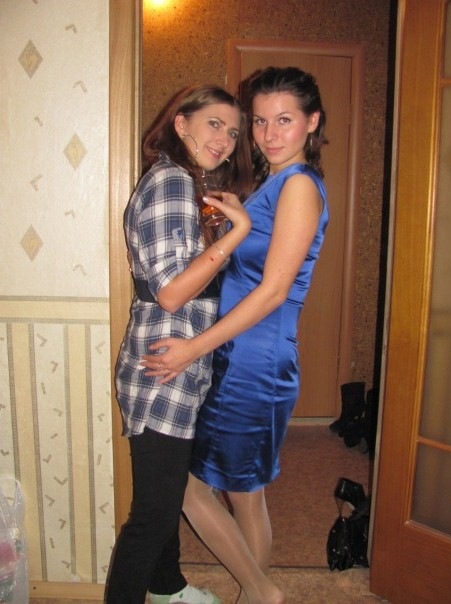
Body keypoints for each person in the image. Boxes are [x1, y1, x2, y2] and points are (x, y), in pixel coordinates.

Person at [142, 66, 329, 604]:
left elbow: (273, 292)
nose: (269, 134)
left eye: (285, 120)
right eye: (261, 121)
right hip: (235, 353)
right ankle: (260, 592)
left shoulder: (298, 186)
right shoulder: (270, 182)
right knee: (231, 487)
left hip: (255, 361)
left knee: (227, 490)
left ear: (312, 122)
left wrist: (192, 350)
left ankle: (261, 593)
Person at [105, 84, 254, 604]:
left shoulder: (185, 184)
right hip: (162, 365)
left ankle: (167, 589)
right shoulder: (170, 181)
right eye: (214, 124)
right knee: (153, 513)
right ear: (181, 123)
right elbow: (171, 292)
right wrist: (238, 231)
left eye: (233, 132)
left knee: (164, 499)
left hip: (175, 362)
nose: (225, 140)